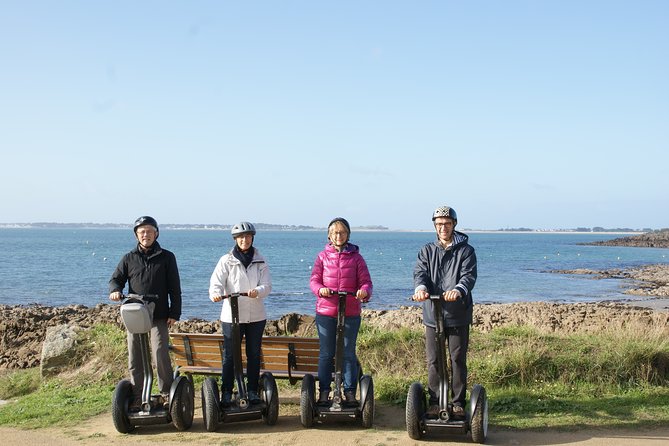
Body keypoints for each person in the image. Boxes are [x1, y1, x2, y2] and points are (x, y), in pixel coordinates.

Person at [109, 216, 182, 410]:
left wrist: (175, 312)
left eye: (149, 231)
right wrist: (115, 290)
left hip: (159, 314)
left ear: (156, 233)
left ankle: (166, 393)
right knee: (135, 355)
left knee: (160, 352)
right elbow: (116, 279)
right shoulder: (129, 258)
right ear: (136, 235)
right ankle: (138, 394)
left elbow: (175, 288)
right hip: (135, 313)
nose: (145, 235)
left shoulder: (167, 257)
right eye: (141, 232)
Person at [412, 205, 477, 420]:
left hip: (457, 313)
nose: (443, 228)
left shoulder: (466, 251)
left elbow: (468, 276)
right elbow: (420, 273)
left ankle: (458, 402)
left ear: (454, 225)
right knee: (434, 360)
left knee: (457, 359)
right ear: (434, 226)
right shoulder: (427, 251)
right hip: (433, 314)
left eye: (447, 224)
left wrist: (458, 290)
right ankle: (435, 401)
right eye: (439, 224)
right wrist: (421, 289)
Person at [310, 217, 373, 405]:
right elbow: (314, 280)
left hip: (350, 312)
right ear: (329, 235)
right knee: (326, 354)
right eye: (335, 232)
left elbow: (366, 282)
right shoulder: (322, 257)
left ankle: (350, 391)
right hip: (326, 312)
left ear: (348, 235)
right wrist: (320, 289)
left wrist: (363, 292)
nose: (339, 235)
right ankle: (324, 391)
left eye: (342, 232)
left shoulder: (356, 258)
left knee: (348, 353)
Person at [209, 221, 272, 406]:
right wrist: (215, 294)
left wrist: (258, 291)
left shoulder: (260, 260)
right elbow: (216, 282)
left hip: (256, 315)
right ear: (236, 239)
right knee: (230, 355)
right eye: (241, 237)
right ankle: (227, 392)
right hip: (231, 315)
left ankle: (252, 390)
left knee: (253, 354)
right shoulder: (226, 260)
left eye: (247, 236)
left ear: (252, 238)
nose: (244, 240)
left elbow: (267, 285)